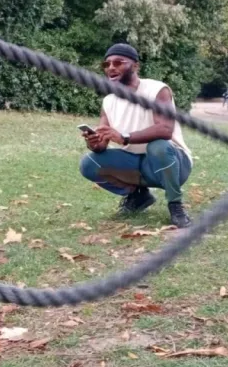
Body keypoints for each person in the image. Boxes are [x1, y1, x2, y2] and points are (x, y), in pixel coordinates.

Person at [78, 43, 193, 228]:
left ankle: (175, 205)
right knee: (89, 163)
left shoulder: (157, 90)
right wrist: (94, 142)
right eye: (106, 65)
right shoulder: (108, 101)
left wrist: (124, 137)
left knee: (158, 146)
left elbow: (165, 130)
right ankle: (138, 195)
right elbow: (102, 144)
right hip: (136, 164)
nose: (111, 68)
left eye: (118, 62)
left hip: (173, 163)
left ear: (136, 66)